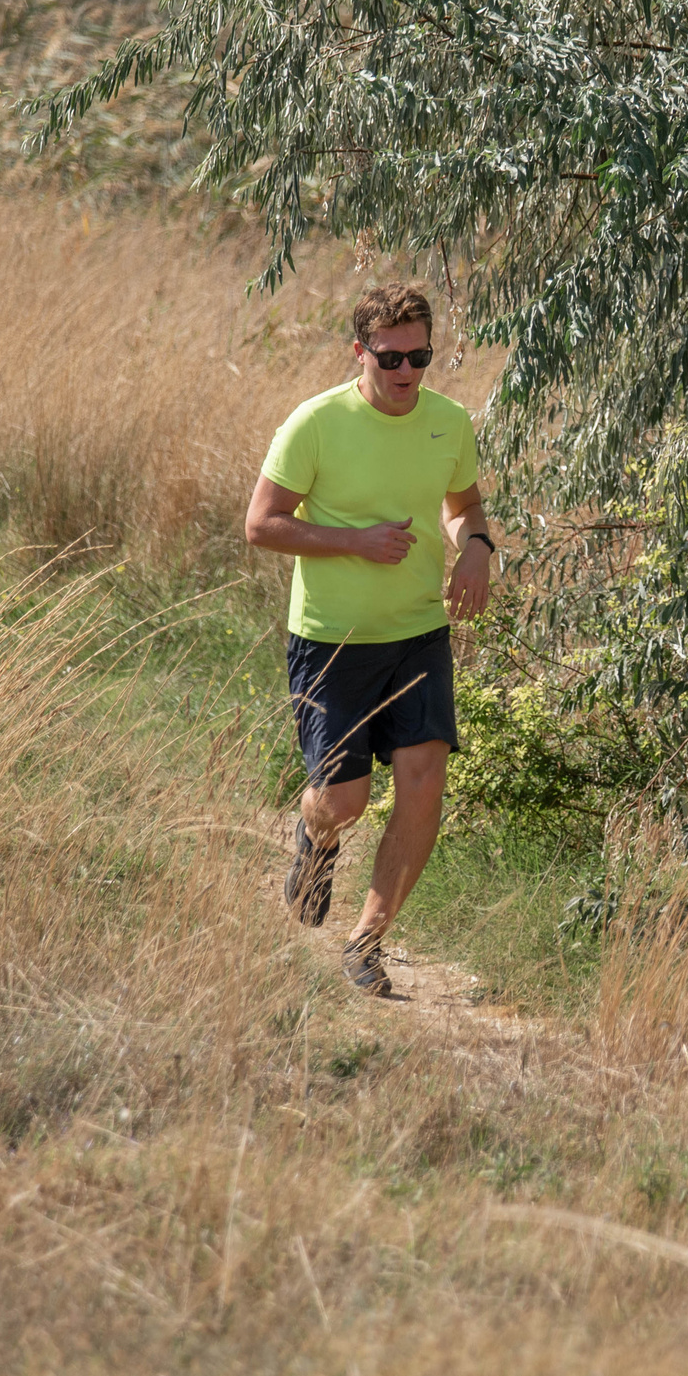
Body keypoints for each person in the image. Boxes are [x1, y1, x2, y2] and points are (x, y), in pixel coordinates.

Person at [242, 283, 495, 995]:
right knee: (345, 800)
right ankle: (314, 836)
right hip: (332, 638)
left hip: (418, 632)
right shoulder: (315, 423)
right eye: (391, 357)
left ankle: (366, 942)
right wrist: (353, 541)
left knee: (423, 785)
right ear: (361, 352)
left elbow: (464, 503)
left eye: (421, 356)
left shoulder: (448, 422)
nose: (407, 371)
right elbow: (261, 524)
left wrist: (476, 544)